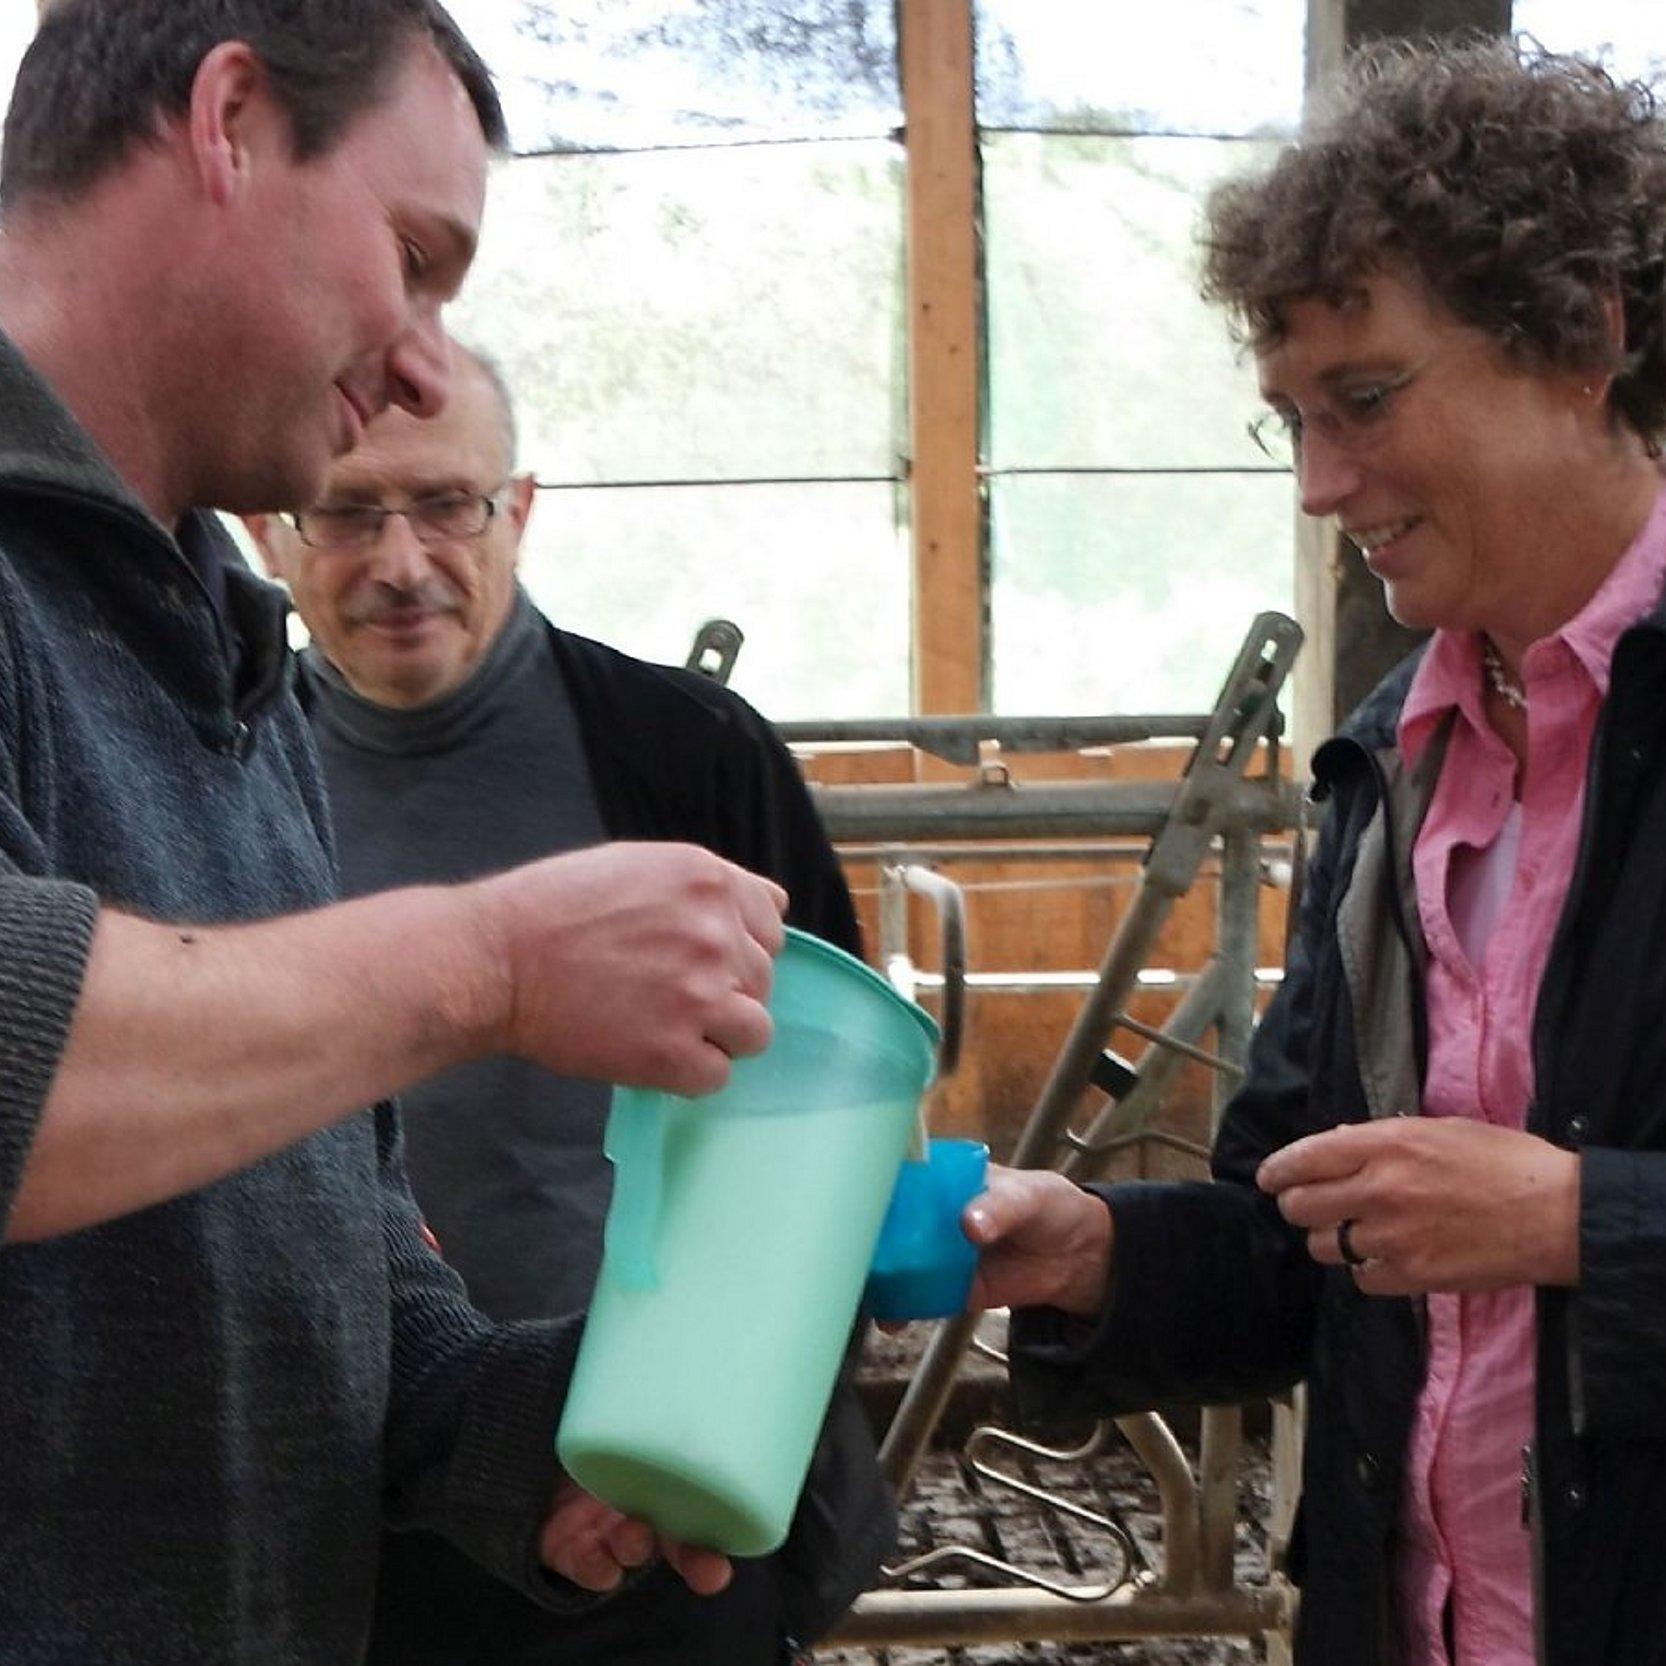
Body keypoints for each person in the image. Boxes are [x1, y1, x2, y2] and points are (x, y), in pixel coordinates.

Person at [0, 3, 786, 1661]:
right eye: (415, 257)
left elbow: (342, 1250)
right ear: (226, 122)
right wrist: (491, 958)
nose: (426, 358)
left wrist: (544, 1434)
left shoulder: (230, 658)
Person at [964, 39, 1666, 1666]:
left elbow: (1517, 1221)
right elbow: (1314, 1234)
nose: (1322, 480)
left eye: (1365, 399)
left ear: (1583, 337)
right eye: (1289, 415)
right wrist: (1090, 1251)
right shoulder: (1393, 761)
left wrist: (1581, 1224)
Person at [245, 342, 894, 1666]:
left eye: (447, 505)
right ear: (269, 529)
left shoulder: (685, 752)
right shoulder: (219, 772)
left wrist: (759, 1423)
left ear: (519, 509)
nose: (401, 560)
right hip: (339, 1509)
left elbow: (840, 1107)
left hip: (652, 1492)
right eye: (349, 511)